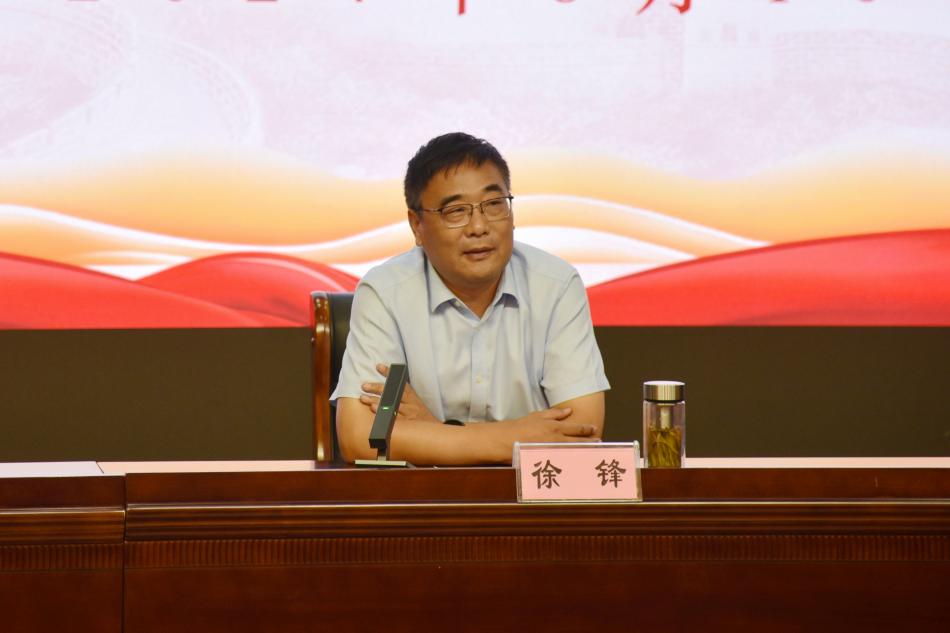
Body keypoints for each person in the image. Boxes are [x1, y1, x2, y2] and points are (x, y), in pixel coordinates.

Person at [331, 132, 609, 465]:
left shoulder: (556, 285)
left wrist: (435, 432)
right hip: (425, 497)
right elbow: (359, 437)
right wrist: (514, 438)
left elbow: (582, 432)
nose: (479, 227)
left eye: (494, 205)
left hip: (529, 495)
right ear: (417, 225)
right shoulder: (385, 292)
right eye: (456, 211)